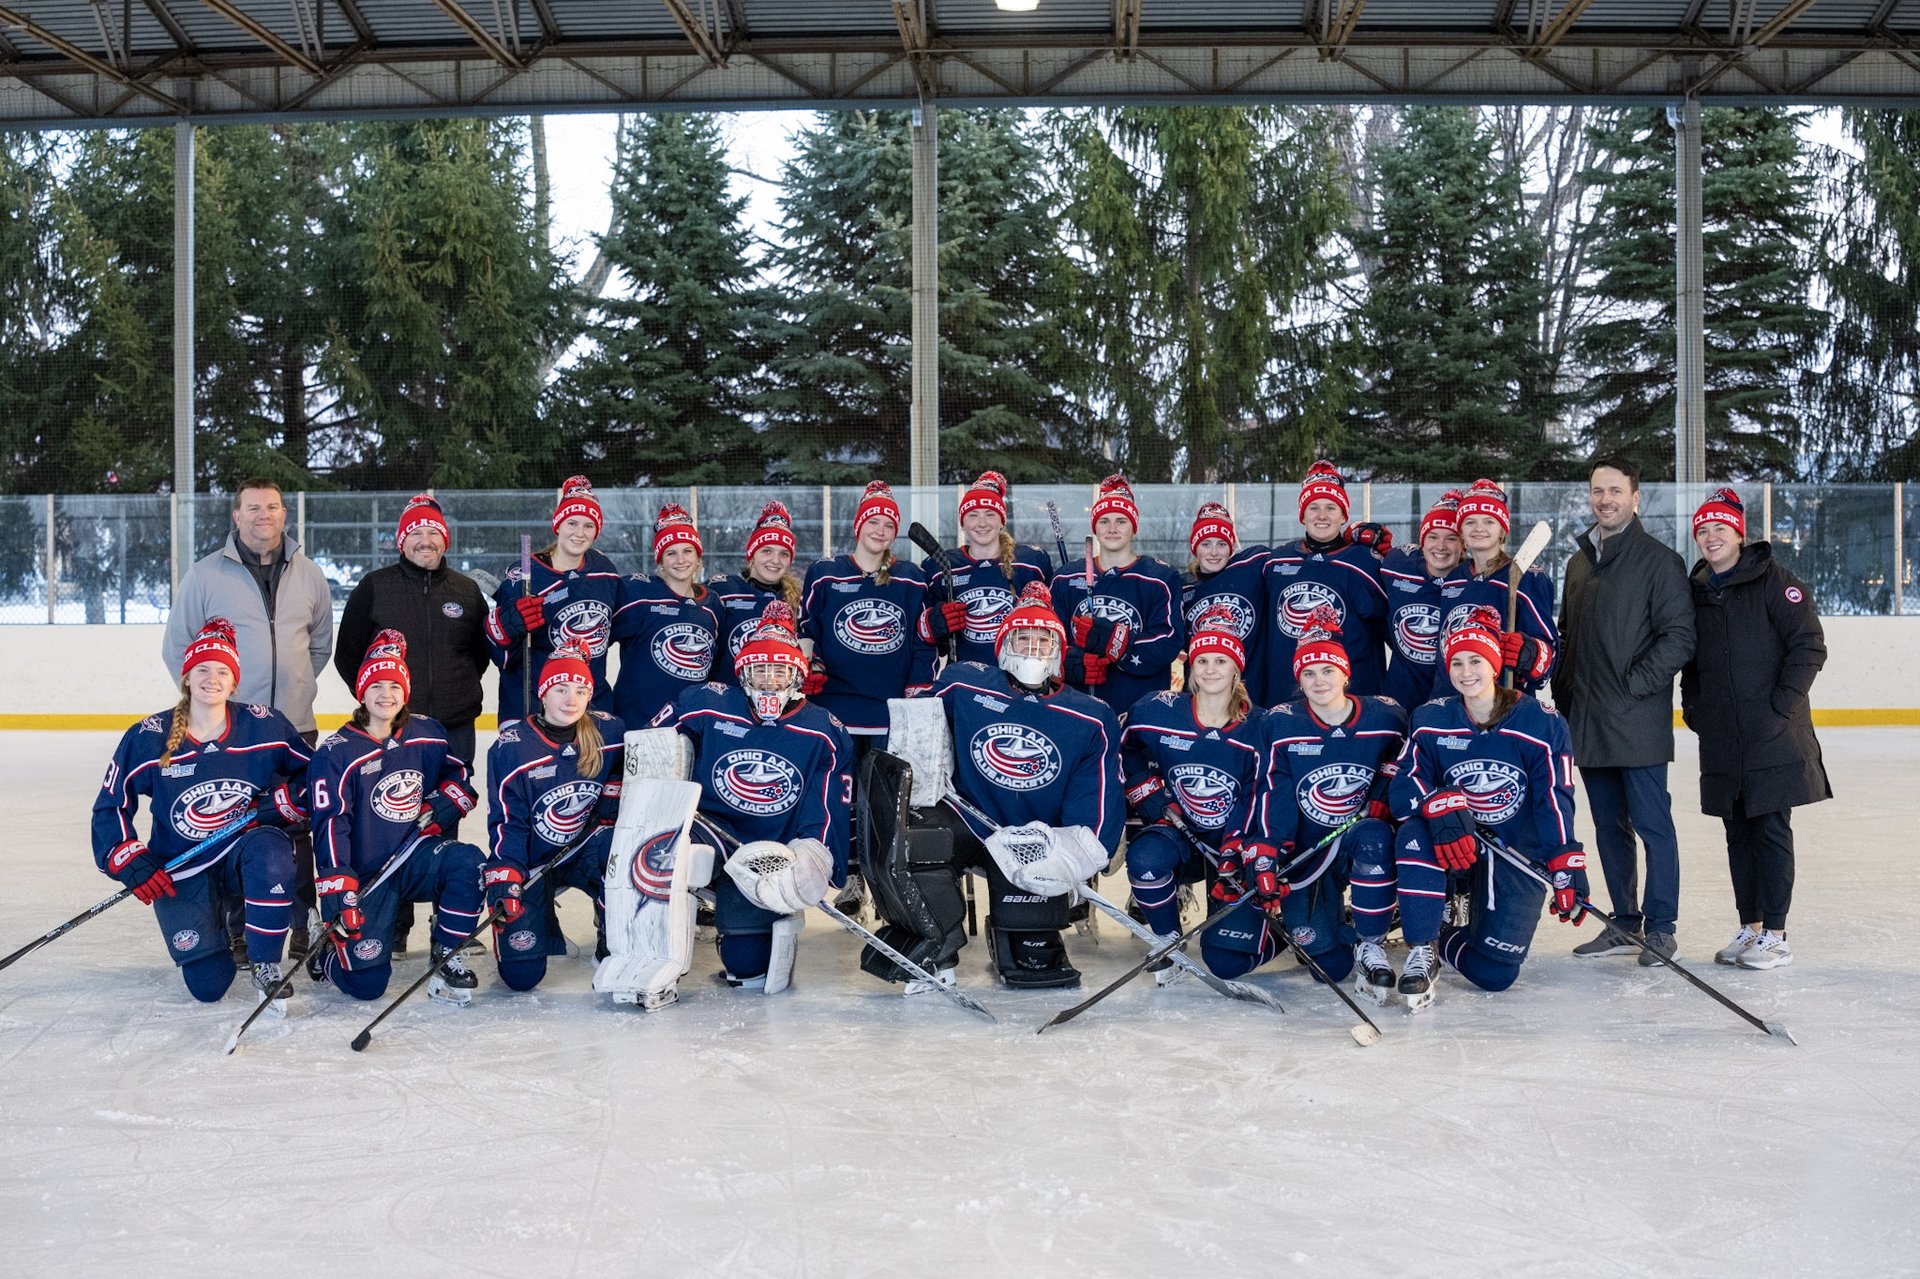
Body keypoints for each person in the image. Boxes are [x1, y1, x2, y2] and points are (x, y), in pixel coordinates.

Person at [869, 583, 1124, 990]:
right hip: (969, 822)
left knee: (1032, 953)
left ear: (1058, 651)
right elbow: (915, 738)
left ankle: (1022, 933)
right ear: (1003, 643)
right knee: (916, 841)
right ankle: (937, 945)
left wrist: (1073, 852)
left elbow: (1097, 801)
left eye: (1043, 641)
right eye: (1022, 638)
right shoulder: (962, 684)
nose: (1031, 650)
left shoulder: (1091, 716)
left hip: (1036, 837)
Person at [94, 619, 310, 1001]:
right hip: (183, 864)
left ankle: (265, 962)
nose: (213, 679)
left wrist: (288, 799)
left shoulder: (264, 727)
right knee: (208, 987)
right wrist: (130, 859)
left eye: (223, 671)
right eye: (203, 670)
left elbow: (318, 777)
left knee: (272, 849)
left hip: (242, 854)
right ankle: (218, 928)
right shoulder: (147, 737)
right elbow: (110, 807)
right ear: (187, 678)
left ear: (234, 682)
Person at [163, 477, 333, 955]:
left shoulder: (310, 574)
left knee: (299, 827)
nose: (265, 515)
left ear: (285, 514)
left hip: (295, 725)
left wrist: (291, 690)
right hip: (233, 732)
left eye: (274, 507)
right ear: (236, 517)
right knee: (236, 825)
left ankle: (302, 924)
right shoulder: (205, 576)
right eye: (254, 508)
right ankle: (238, 927)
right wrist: (220, 705)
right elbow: (180, 649)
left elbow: (318, 646)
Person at [651, 602, 852, 989]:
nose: (769, 681)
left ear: (797, 673)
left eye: (780, 670)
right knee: (659, 857)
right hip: (710, 831)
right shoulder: (706, 702)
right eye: (760, 669)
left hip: (768, 850)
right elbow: (652, 747)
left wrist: (814, 854)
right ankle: (645, 945)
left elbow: (826, 808)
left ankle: (744, 929)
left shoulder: (824, 730)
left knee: (747, 969)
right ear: (744, 672)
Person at [1390, 609, 1584, 1007]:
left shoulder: (1540, 723)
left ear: (1495, 663)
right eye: (1457, 662)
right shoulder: (1430, 718)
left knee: (1495, 974)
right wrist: (1437, 802)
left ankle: (1444, 939)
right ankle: (1423, 942)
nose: (1466, 672)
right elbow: (1402, 787)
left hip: (1512, 846)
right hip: (1452, 844)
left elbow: (1554, 798)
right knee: (1413, 833)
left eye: (1476, 660)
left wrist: (1566, 861)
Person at [332, 492, 489, 954]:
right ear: (402, 541)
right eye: (416, 533)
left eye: (433, 534)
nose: (425, 541)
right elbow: (348, 655)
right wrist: (381, 707)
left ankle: (450, 920)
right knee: (389, 816)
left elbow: (478, 656)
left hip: (452, 726)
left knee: (444, 814)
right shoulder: (375, 586)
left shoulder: (465, 590)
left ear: (445, 541)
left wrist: (453, 695)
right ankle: (394, 924)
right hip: (392, 729)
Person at [1553, 455, 1695, 965]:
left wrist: (1633, 686)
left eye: (1615, 491)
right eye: (1597, 491)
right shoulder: (1578, 563)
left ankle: (1661, 926)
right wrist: (1560, 691)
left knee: (1654, 825)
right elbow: (1567, 637)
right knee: (1609, 826)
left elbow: (1679, 637)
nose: (1605, 499)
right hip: (1587, 720)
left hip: (1635, 721)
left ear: (1636, 498)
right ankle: (1624, 921)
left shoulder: (1660, 562)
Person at [1680, 488, 1829, 971]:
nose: (1709, 537)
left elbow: (1809, 646)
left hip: (1771, 734)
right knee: (1736, 831)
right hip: (1722, 734)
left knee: (1769, 827)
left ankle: (1777, 934)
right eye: (1702, 530)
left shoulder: (1775, 582)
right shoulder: (1698, 589)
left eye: (1719, 528)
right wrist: (1695, 710)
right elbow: (1693, 664)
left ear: (1739, 534)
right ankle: (1752, 927)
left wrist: (1780, 707)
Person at [307, 631, 486, 1003]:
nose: (385, 694)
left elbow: (459, 778)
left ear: (405, 691)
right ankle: (324, 953)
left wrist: (443, 803)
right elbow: (329, 825)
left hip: (415, 855)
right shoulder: (337, 753)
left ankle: (447, 953)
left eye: (394, 685)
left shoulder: (428, 733)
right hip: (364, 874)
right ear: (361, 692)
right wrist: (340, 885)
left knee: (467, 862)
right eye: (375, 685)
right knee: (367, 987)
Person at [1247, 610, 1406, 993]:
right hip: (1308, 849)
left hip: (1356, 835)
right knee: (1326, 965)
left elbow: (1405, 761)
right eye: (1309, 673)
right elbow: (1273, 790)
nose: (1319, 681)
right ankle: (1338, 926)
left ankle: (1372, 942)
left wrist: (1385, 791)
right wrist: (1268, 848)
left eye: (1328, 670)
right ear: (1298, 679)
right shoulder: (1280, 723)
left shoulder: (1384, 715)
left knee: (1373, 836)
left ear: (1346, 674)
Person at [1119, 609, 1274, 981]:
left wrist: (1239, 845)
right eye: (1202, 660)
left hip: (1237, 846)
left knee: (1227, 963)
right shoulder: (1159, 710)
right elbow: (1124, 745)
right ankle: (1167, 938)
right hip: (1182, 831)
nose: (1209, 669)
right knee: (1145, 856)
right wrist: (1147, 791)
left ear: (1236, 668)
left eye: (1221, 660)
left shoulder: (1261, 725)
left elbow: (1263, 790)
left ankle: (1306, 936)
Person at [482, 644, 627, 992]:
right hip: (531, 860)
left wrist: (608, 810)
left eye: (580, 691)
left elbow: (620, 779)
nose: (571, 700)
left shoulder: (609, 733)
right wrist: (507, 872)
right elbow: (508, 822)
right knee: (522, 977)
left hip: (583, 850)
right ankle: (539, 911)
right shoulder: (512, 747)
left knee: (623, 850)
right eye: (561, 689)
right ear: (543, 693)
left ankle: (612, 925)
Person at [800, 480, 936, 752]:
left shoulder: (912, 579)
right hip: (833, 708)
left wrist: (918, 688)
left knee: (881, 793)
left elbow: (923, 641)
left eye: (888, 525)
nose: (880, 531)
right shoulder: (825, 574)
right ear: (858, 525)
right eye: (873, 521)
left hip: (889, 712)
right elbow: (807, 631)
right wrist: (810, 666)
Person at [486, 476, 625, 724]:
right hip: (532, 707)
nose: (579, 533)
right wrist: (506, 628)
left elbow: (613, 629)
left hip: (589, 706)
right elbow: (502, 658)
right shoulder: (523, 575)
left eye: (588, 526)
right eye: (572, 523)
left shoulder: (604, 570)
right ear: (558, 525)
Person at [1049, 474, 1187, 714]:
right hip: (1078, 709)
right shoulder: (1066, 578)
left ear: (1133, 527)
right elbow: (1049, 638)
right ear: (1095, 526)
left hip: (1139, 711)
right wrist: (1068, 660)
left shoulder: (1160, 579)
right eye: (1104, 521)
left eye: (1121, 521)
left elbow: (1169, 641)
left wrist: (1118, 644)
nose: (1112, 529)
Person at [1258, 461, 1390, 699]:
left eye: (1331, 508)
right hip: (1286, 697)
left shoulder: (1364, 562)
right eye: (1313, 508)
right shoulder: (1276, 563)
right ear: (1302, 516)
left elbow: (1393, 628)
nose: (1321, 516)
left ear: (1343, 517)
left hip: (1350, 700)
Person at [1430, 479, 1558, 698]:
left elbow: (1549, 654)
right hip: (1452, 701)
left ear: (1502, 531)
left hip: (1502, 705)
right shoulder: (1454, 579)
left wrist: (1528, 652)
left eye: (1489, 521)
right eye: (1470, 522)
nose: (1479, 528)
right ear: (1461, 532)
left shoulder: (1526, 578)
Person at [919, 470, 1054, 668]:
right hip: (965, 680)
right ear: (963, 524)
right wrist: (933, 624)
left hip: (1020, 677)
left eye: (990, 514)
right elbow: (923, 636)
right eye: (973, 515)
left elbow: (1053, 622)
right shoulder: (940, 566)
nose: (982, 523)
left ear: (1002, 521)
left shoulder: (1031, 563)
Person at [612, 503, 721, 728]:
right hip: (639, 723)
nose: (680, 560)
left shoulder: (714, 605)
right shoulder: (639, 595)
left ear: (698, 557)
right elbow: (597, 637)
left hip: (690, 725)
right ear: (660, 562)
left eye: (687, 551)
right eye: (671, 553)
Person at [1181, 501, 1270, 704]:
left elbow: (1299, 557)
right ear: (1195, 548)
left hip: (1251, 695)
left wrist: (1351, 538)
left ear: (1231, 547)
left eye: (1221, 544)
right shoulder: (1182, 588)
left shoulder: (1251, 568)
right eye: (1206, 544)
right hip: (1202, 695)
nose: (1214, 552)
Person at [1380, 490, 1463, 709]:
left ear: (1463, 544)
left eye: (1451, 538)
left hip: (1450, 704)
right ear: (1422, 541)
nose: (1441, 546)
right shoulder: (1397, 565)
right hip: (1400, 698)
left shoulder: (1471, 581)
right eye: (1433, 536)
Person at [709, 501, 805, 686]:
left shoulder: (796, 602)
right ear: (751, 556)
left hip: (773, 703)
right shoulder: (724, 591)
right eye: (767, 551)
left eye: (784, 554)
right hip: (727, 701)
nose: (775, 560)